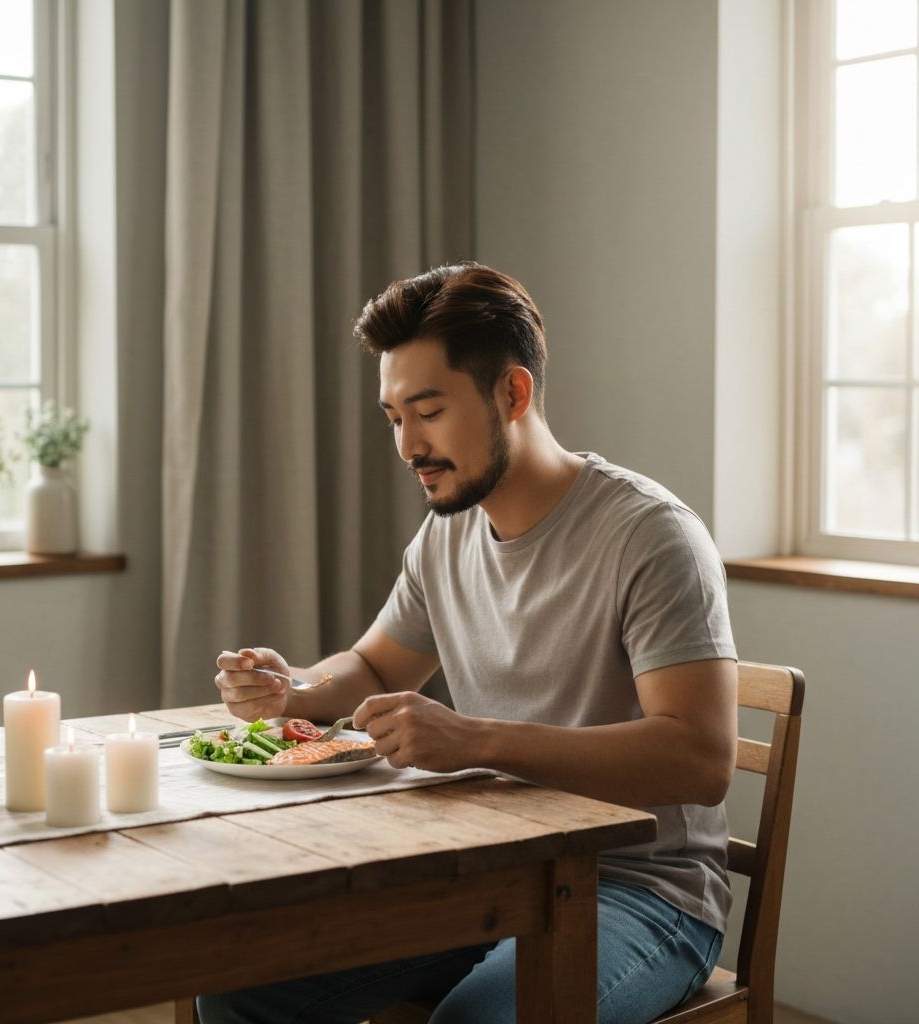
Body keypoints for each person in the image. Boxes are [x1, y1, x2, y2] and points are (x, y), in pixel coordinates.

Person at [199, 263, 738, 1024]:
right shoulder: (446, 532)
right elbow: (376, 664)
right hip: (492, 871)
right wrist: (297, 693)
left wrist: (476, 737)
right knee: (236, 991)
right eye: (392, 417)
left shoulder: (651, 537)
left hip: (639, 890)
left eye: (428, 411)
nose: (407, 445)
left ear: (512, 395)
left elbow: (701, 759)